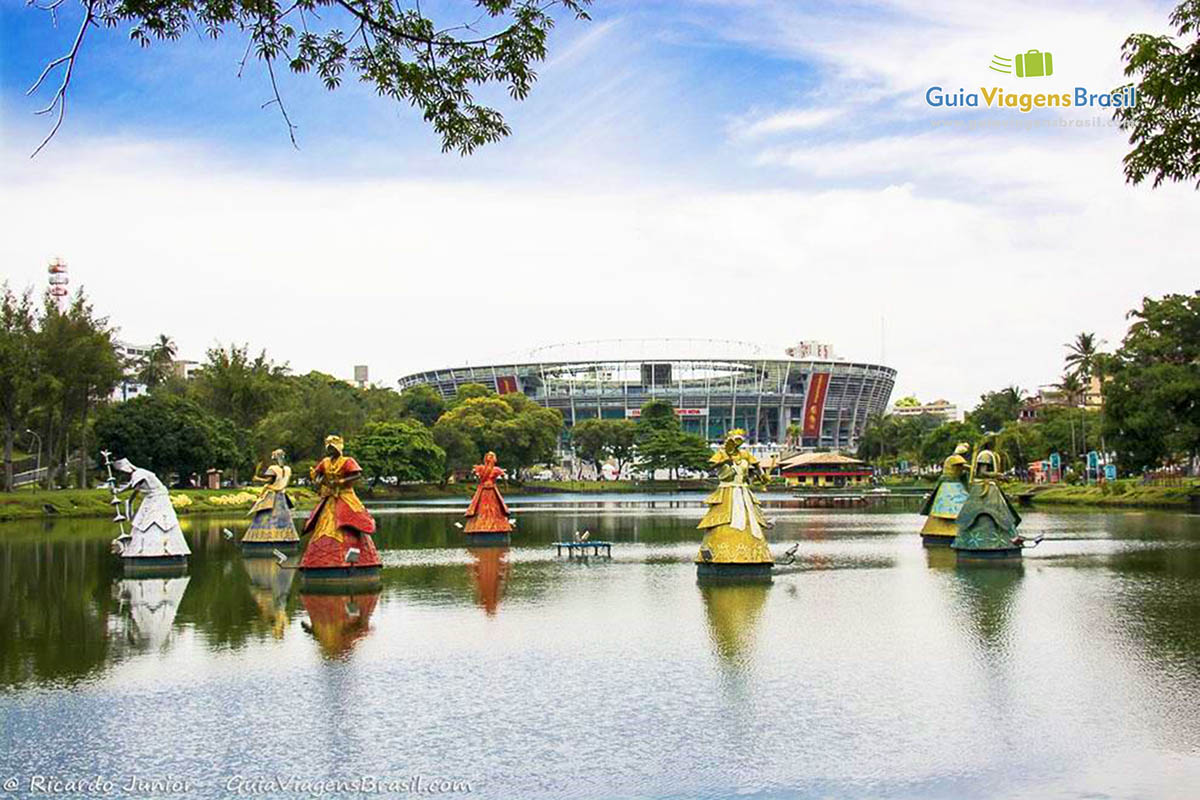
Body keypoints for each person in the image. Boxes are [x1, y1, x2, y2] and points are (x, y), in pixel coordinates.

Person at [299, 435, 380, 573]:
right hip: (330, 497)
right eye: (328, 449)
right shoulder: (325, 462)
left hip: (345, 495)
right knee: (324, 525)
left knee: (351, 518)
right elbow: (318, 474)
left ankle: (358, 560)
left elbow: (357, 474)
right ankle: (320, 561)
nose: (330, 452)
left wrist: (342, 482)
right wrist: (318, 480)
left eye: (333, 448)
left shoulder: (347, 461)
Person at [695, 429, 774, 570]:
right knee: (725, 520)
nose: (736, 443)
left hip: (743, 491)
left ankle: (755, 556)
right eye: (734, 440)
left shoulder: (745, 455)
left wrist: (762, 477)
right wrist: (723, 461)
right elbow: (711, 466)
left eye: (739, 441)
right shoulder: (721, 454)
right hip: (727, 491)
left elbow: (757, 467)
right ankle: (719, 557)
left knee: (750, 520)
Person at [110, 458, 191, 563]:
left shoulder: (139, 473)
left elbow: (136, 489)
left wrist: (129, 501)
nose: (124, 473)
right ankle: (138, 550)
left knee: (159, 521)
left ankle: (162, 550)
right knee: (143, 522)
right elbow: (131, 485)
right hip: (151, 498)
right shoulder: (138, 474)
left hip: (158, 499)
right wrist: (117, 491)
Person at [953, 435, 1023, 554]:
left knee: (1003, 514)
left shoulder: (991, 454)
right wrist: (998, 475)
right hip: (984, 488)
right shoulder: (985, 455)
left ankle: (1008, 540)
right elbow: (982, 472)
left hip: (991, 487)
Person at [242, 448, 300, 549]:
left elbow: (269, 481)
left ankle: (262, 540)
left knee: (267, 518)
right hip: (282, 497)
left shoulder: (273, 468)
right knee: (285, 518)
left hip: (272, 496)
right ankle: (287, 539)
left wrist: (257, 479)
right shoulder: (288, 469)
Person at [918, 442, 971, 544]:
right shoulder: (955, 458)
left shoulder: (949, 459)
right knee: (957, 506)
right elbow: (964, 466)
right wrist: (973, 468)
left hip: (947, 484)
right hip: (952, 484)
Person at [463, 451, 512, 534]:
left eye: (491, 457)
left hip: (492, 490)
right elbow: (474, 474)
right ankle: (479, 525)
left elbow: (504, 478)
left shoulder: (496, 469)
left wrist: (506, 487)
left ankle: (494, 525)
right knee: (481, 508)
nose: (490, 459)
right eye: (489, 457)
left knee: (494, 509)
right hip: (483, 491)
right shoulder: (481, 468)